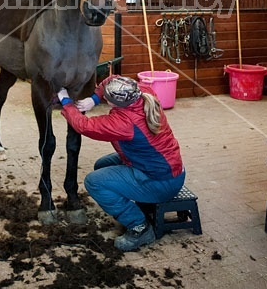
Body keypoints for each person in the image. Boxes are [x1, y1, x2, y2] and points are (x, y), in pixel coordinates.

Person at [57, 75, 185, 252]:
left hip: (161, 181)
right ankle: (132, 200)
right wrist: (93, 99)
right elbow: (114, 78)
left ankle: (139, 228)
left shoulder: (123, 122)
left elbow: (84, 126)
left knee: (94, 181)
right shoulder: (143, 93)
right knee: (102, 165)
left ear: (112, 103)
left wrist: (66, 101)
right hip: (163, 166)